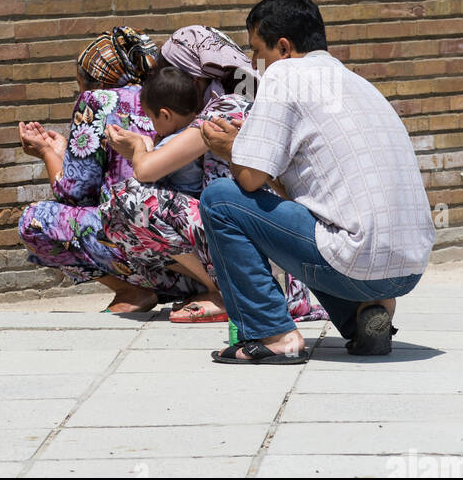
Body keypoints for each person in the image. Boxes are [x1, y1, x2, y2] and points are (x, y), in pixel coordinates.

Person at [199, 0, 435, 364]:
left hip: (357, 259)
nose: (252, 64)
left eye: (256, 51)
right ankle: (363, 318)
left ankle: (273, 335)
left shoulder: (285, 75)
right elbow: (297, 194)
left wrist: (231, 149)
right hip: (408, 269)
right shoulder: (357, 83)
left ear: (283, 47)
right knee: (315, 221)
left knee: (220, 199)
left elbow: (247, 181)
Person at [101, 62, 326, 325]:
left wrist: (139, 146)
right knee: (117, 217)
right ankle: (219, 287)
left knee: (130, 199)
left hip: (254, 227)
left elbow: (146, 172)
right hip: (259, 230)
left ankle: (225, 291)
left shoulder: (223, 110)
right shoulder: (211, 117)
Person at [17, 28, 203, 314]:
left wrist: (46, 153)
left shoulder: (96, 101)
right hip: (197, 258)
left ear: (92, 80)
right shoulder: (173, 98)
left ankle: (132, 290)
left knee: (34, 222)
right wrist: (66, 150)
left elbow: (74, 193)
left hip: (143, 251)